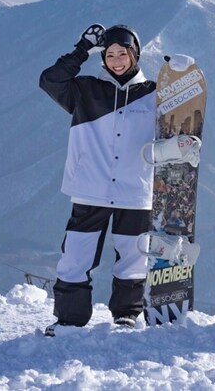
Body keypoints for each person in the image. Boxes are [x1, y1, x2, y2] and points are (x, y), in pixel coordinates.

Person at [39, 23, 156, 334]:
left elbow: (180, 127)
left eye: (122, 54)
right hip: (90, 188)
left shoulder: (154, 94)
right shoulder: (85, 90)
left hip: (136, 190)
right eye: (109, 54)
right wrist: (81, 50)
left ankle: (126, 314)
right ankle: (70, 318)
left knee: (134, 256)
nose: (116, 61)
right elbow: (50, 80)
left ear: (135, 54)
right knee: (76, 255)